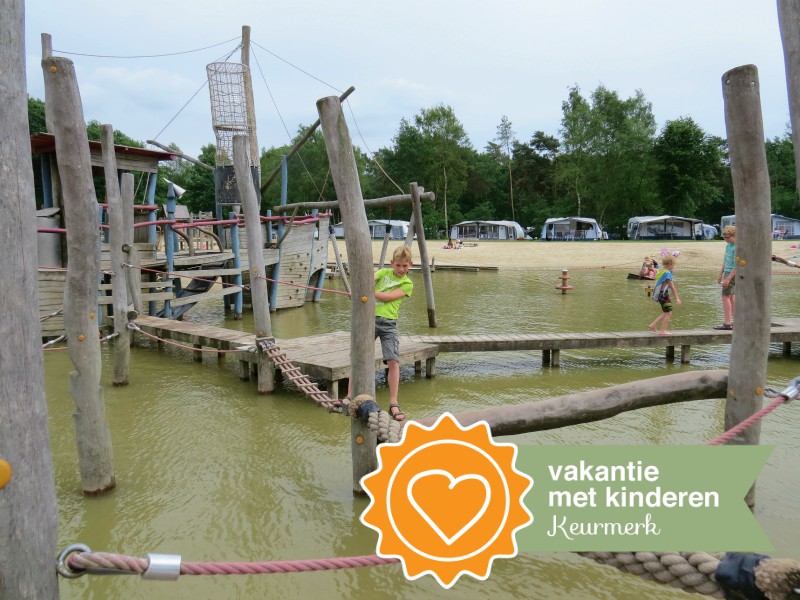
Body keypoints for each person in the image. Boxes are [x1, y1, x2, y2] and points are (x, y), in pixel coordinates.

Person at [345, 245, 413, 421]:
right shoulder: (383, 273)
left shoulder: (407, 284)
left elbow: (389, 297)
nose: (401, 269)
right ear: (392, 263)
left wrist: (365, 292)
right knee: (357, 356)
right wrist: (360, 289)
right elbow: (369, 279)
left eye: (405, 266)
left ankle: (393, 403)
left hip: (389, 324)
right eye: (398, 265)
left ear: (410, 265)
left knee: (393, 361)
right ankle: (350, 395)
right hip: (369, 321)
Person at [648, 254, 682, 335]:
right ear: (670, 264)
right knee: (669, 312)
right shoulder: (667, 274)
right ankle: (663, 330)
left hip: (659, 294)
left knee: (667, 312)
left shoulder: (661, 271)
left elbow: (653, 270)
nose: (673, 267)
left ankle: (653, 325)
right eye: (673, 265)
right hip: (664, 295)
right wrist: (677, 298)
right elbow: (672, 287)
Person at [714, 226, 736, 330]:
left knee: (725, 296)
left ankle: (727, 323)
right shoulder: (728, 246)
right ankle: (735, 322)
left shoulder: (737, 247)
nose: (726, 240)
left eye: (727, 237)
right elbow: (725, 260)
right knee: (731, 297)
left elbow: (737, 266)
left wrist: (728, 279)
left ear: (734, 236)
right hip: (727, 272)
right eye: (724, 238)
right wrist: (720, 274)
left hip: (732, 274)